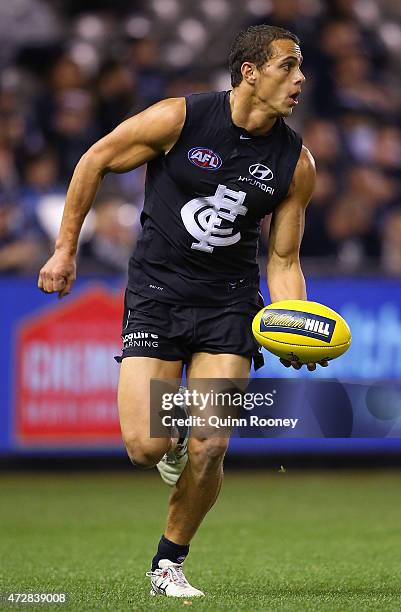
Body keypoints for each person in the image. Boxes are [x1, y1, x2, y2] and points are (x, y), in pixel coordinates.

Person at [38, 24, 328, 598]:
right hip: (157, 293)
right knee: (145, 447)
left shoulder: (297, 162)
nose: (300, 80)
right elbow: (95, 160)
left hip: (229, 303)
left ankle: (169, 561)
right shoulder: (181, 118)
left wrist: (291, 320)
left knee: (211, 442)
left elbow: (284, 259)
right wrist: (65, 248)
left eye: (301, 69)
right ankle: (169, 440)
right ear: (250, 72)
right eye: (287, 67)